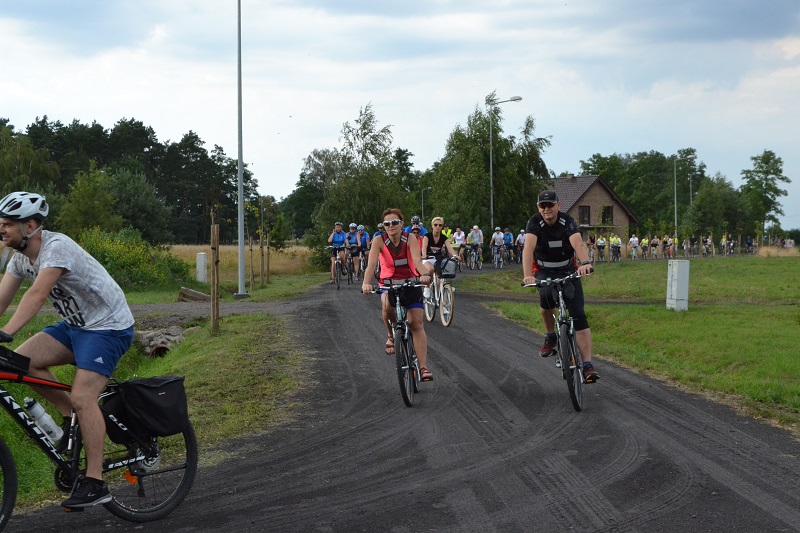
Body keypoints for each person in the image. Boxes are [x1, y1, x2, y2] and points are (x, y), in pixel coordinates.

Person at [0, 191, 135, 507]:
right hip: (76, 327)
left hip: (108, 327)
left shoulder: (56, 248)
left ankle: (96, 481)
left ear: (31, 225)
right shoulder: (19, 257)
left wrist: (5, 332)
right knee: (22, 363)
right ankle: (69, 417)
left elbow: (36, 295)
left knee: (84, 396)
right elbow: (2, 299)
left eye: (8, 224)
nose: (1, 229)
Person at [522, 190, 599, 383]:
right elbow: (528, 249)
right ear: (538, 208)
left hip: (568, 270)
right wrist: (527, 275)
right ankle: (551, 336)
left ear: (558, 205)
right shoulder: (534, 223)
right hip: (544, 271)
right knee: (546, 298)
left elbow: (578, 243)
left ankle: (587, 365)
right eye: (542, 206)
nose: (546, 209)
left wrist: (585, 263)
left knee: (579, 315)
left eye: (550, 205)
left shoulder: (567, 221)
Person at [362, 208, 433, 381]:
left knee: (416, 322)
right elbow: (371, 265)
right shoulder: (378, 240)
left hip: (410, 280)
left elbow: (417, 260)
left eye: (394, 222)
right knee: (386, 305)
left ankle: (423, 368)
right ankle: (391, 335)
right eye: (387, 223)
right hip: (388, 283)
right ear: (383, 226)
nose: (391, 226)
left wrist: (424, 275)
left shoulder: (410, 238)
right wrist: (365, 283)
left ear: (402, 223)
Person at [420, 217, 459, 297]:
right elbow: (424, 247)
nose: (438, 227)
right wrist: (424, 255)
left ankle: (439, 297)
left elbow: (450, 248)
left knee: (439, 279)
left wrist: (455, 255)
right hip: (428, 258)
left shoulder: (444, 238)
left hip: (438, 259)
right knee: (430, 269)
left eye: (440, 225)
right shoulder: (427, 236)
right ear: (432, 226)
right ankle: (427, 287)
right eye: (435, 225)